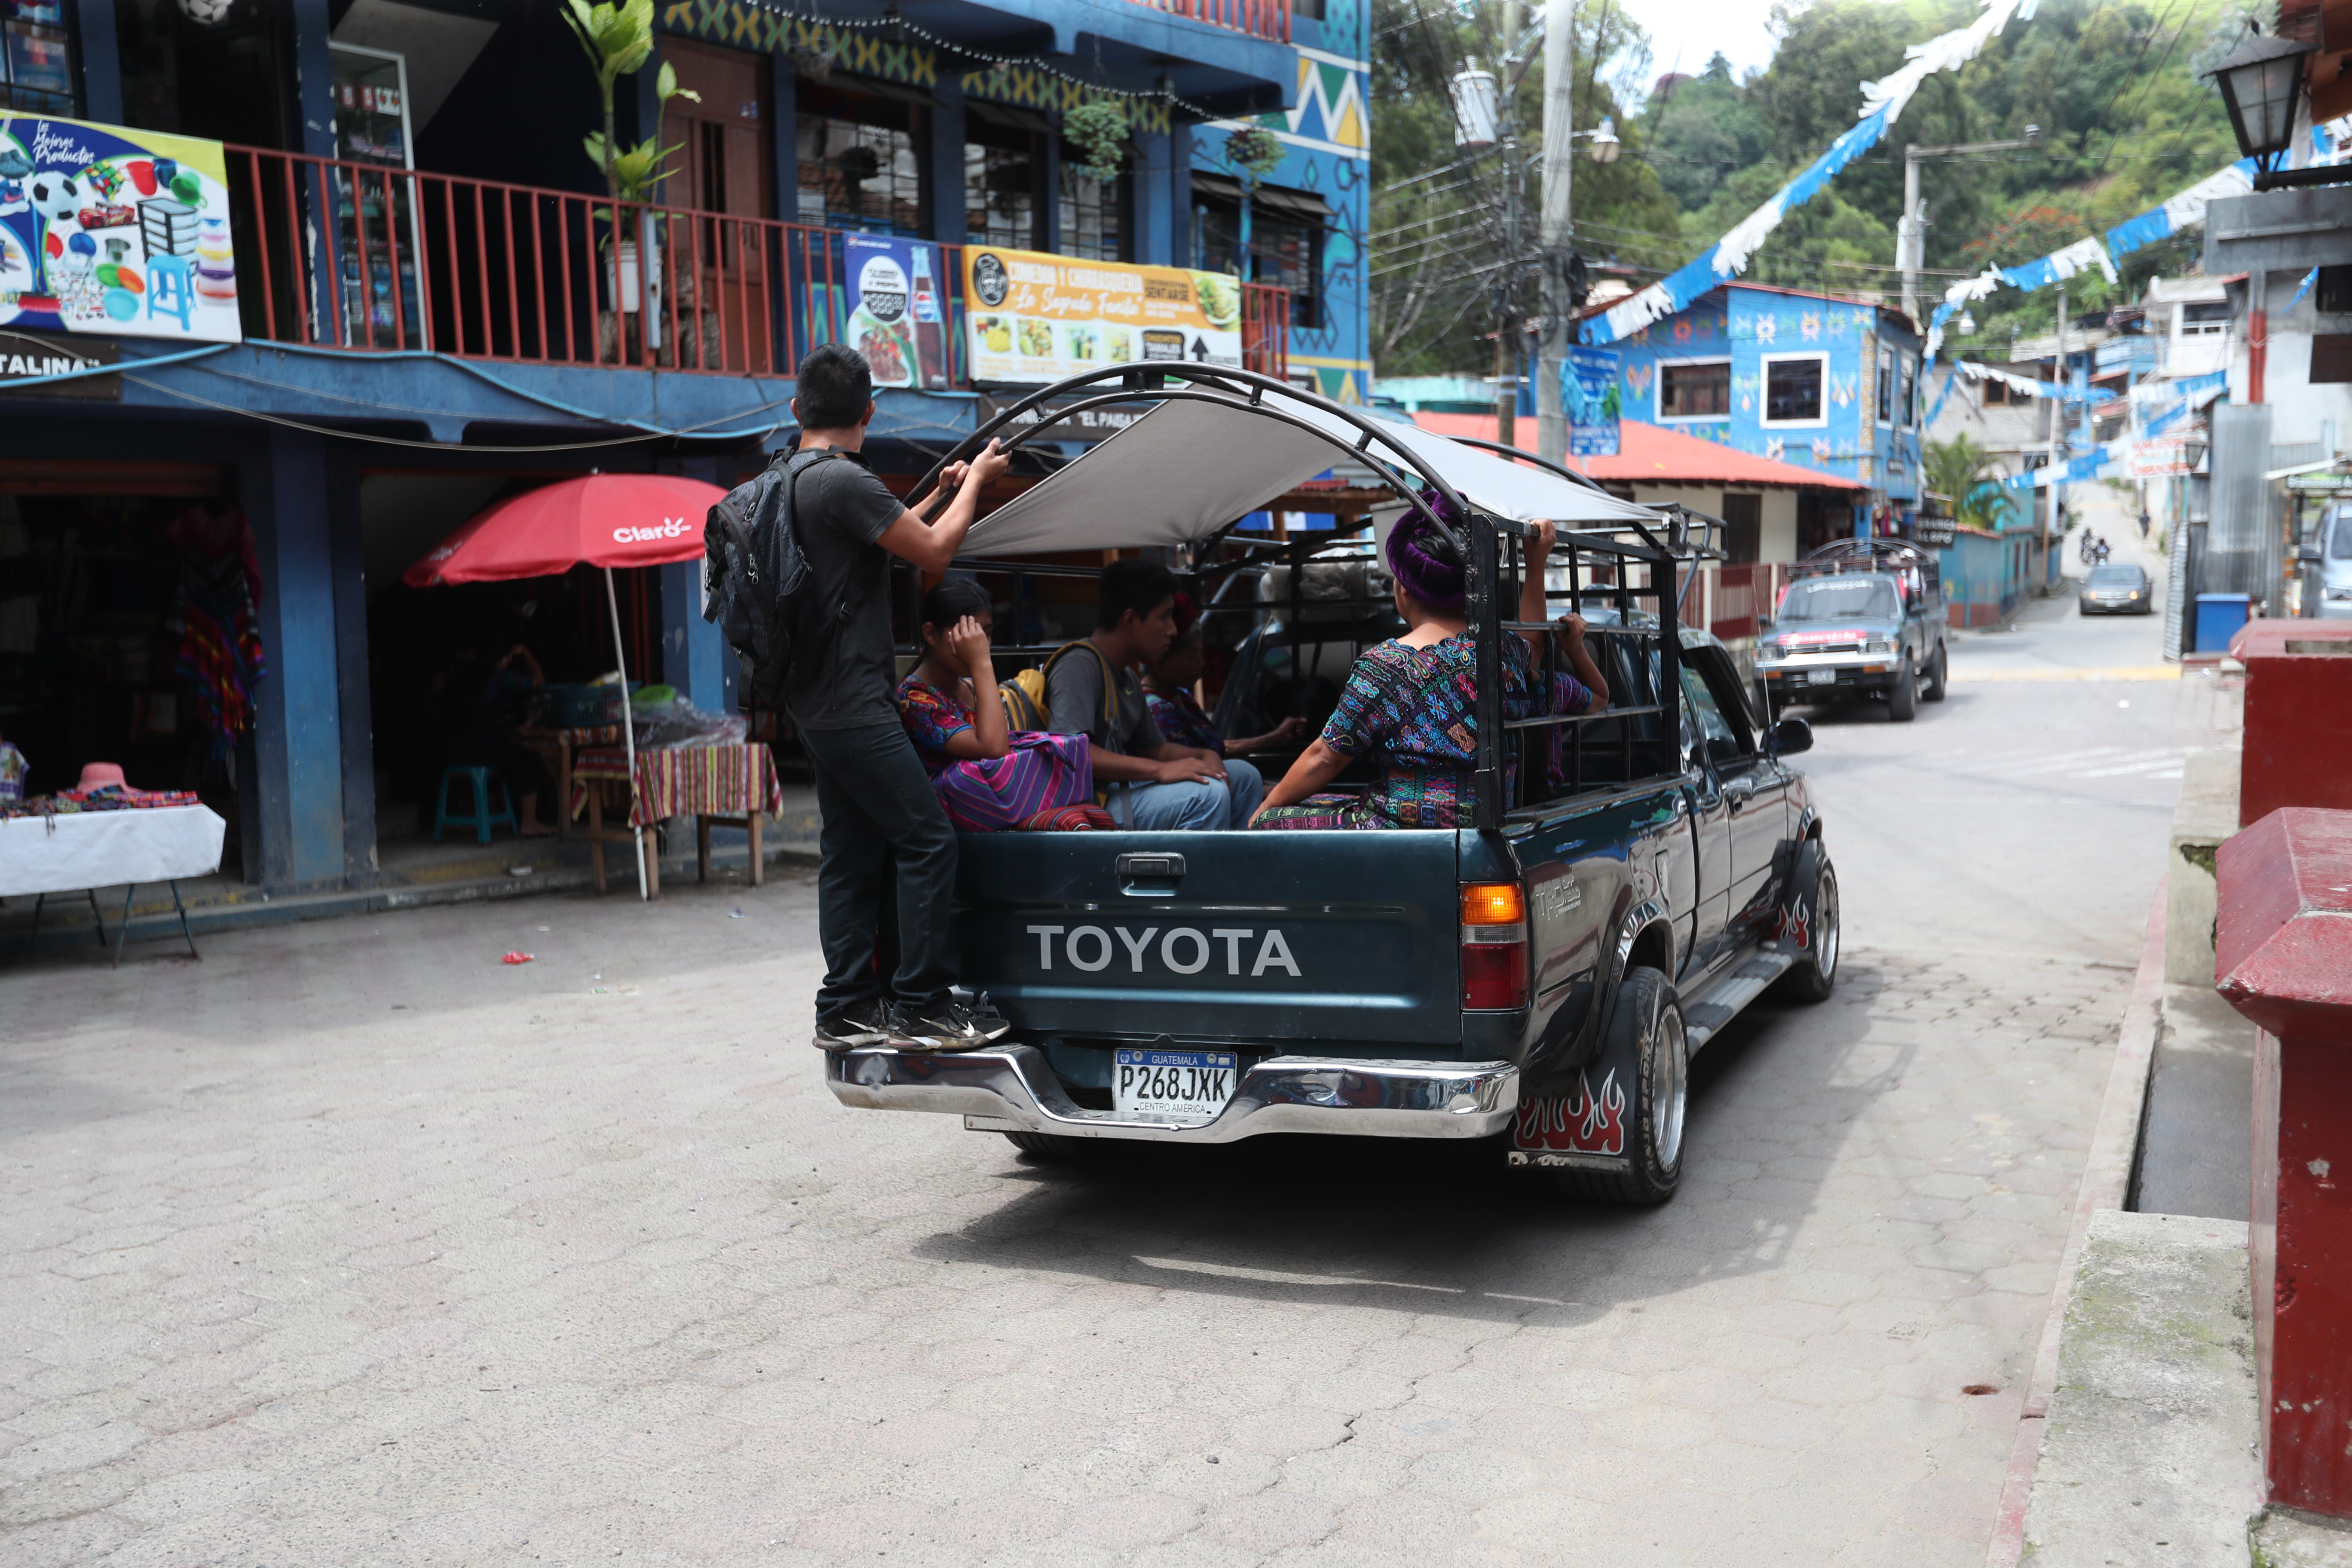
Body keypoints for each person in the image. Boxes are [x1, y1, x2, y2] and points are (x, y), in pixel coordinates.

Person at [787, 342, 1014, 1054]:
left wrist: (941, 493)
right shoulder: (844, 480)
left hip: (809, 700)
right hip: (854, 700)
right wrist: (975, 480)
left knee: (850, 850)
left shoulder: (787, 478)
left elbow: (884, 541)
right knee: (926, 838)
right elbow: (934, 554)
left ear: (798, 409)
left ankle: (846, 1005)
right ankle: (922, 1004)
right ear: (869, 412)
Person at [1252, 500, 1610, 830]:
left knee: (1275, 820)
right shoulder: (1504, 653)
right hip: (1487, 821)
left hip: (1395, 829)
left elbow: (1324, 759)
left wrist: (1263, 812)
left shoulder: (1383, 667)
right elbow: (1535, 641)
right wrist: (1536, 564)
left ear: (1403, 590)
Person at [1046, 557, 1264, 829]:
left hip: (1118, 793)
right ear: (1131, 620)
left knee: (1244, 776)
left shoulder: (1127, 677)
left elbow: (1157, 749)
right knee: (1207, 794)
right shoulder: (1078, 665)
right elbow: (1072, 753)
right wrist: (1160, 771)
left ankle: (1239, 866)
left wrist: (1203, 756)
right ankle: (1204, 871)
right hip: (1089, 806)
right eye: (1164, 617)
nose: (1173, 630)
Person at [894, 578, 1102, 831]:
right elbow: (993, 749)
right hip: (951, 829)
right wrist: (982, 663)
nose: (980, 645)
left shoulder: (971, 685)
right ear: (931, 634)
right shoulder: (914, 698)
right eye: (968, 633)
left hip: (1000, 811)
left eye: (987, 634)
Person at [1141, 598, 1306, 759]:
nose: (1201, 663)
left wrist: (1276, 738)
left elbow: (1214, 747)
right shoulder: (1155, 709)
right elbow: (1197, 761)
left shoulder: (1181, 695)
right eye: (1191, 655)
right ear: (1161, 659)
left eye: (1200, 652)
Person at [430, 639, 554, 837]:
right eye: (508, 658)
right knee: (530, 765)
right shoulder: (501, 677)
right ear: (505, 658)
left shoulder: (460, 673)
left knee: (504, 755)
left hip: (446, 747)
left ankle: (479, 814)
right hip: (475, 747)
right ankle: (529, 822)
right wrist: (525, 651)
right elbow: (539, 680)